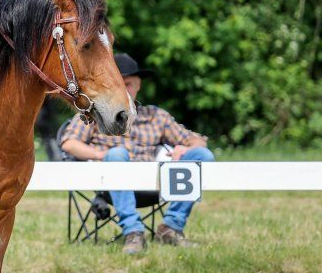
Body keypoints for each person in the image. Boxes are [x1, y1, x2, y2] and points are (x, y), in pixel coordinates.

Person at [60, 53, 215, 254]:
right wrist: (104, 155)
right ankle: (133, 231)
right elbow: (69, 143)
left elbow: (198, 140)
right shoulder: (94, 113)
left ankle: (171, 226)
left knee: (202, 155)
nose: (123, 89)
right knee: (117, 154)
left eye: (128, 84)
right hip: (111, 183)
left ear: (138, 85)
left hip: (154, 185)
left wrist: (186, 148)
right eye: (117, 83)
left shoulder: (156, 116)